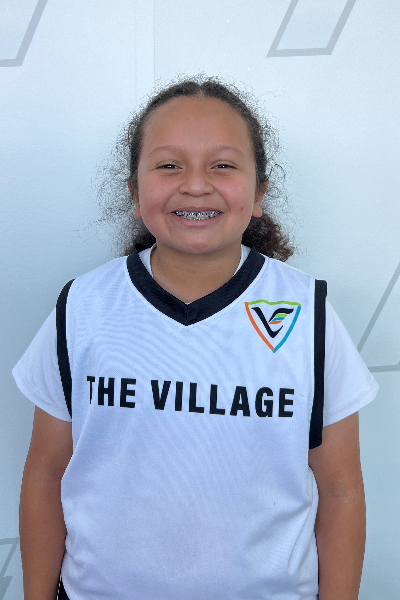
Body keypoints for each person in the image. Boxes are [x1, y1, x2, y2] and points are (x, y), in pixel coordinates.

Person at [14, 77, 378, 600]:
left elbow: (340, 490)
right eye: (169, 165)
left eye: (223, 165)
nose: (196, 185)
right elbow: (46, 474)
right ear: (135, 193)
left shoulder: (308, 314)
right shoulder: (82, 307)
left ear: (259, 193)